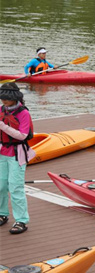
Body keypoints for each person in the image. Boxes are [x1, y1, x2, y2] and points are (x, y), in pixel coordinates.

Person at [0, 83, 35, 235]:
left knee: (15, 187)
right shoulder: (1, 110)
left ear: (14, 98)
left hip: (17, 153)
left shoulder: (23, 113)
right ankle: (2, 214)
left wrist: (2, 126)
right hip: (2, 152)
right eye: (2, 98)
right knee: (0, 186)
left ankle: (21, 220)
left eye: (6, 98)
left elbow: (22, 135)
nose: (3, 101)